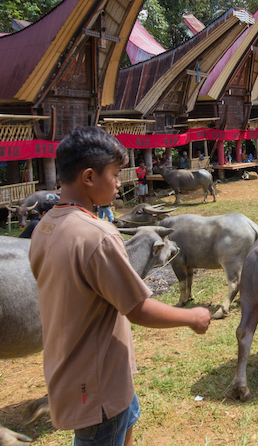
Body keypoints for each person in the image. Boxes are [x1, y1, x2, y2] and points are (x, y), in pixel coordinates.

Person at [29, 127, 210, 446]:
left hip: (78, 369)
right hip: (97, 386)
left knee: (129, 414)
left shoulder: (45, 227)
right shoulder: (96, 234)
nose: (118, 183)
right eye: (113, 175)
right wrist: (191, 317)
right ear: (88, 177)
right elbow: (137, 308)